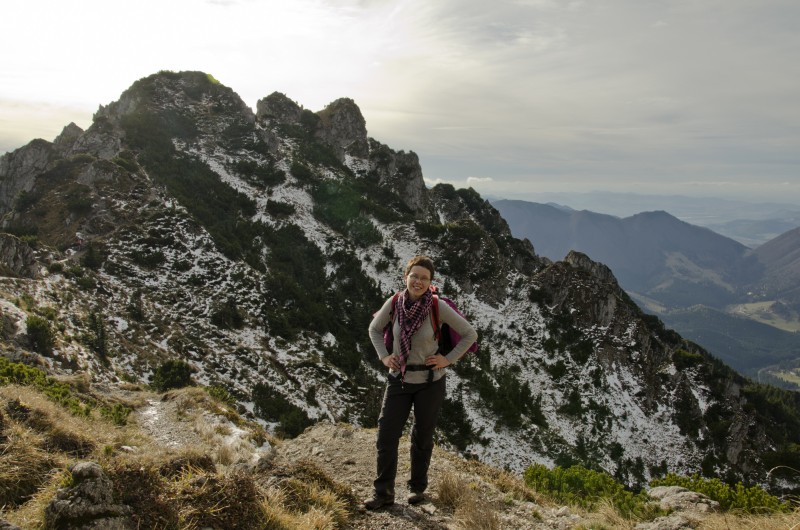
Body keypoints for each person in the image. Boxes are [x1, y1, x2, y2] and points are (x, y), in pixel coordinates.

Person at [364, 255, 478, 509]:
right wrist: (384, 356)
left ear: (430, 282)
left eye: (424, 278)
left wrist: (447, 360)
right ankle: (383, 493)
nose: (418, 281)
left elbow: (470, 334)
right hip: (399, 379)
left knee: (422, 437)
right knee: (386, 435)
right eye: (414, 276)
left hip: (430, 381)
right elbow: (374, 329)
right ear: (405, 277)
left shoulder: (437, 306)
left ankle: (416, 488)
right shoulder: (394, 302)